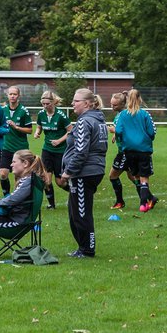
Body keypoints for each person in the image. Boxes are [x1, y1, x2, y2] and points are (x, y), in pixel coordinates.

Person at [61, 88, 109, 258]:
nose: (72, 104)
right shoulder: (99, 120)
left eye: (76, 101)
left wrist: (68, 172)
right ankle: (82, 248)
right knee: (75, 211)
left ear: (87, 103)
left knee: (81, 213)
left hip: (84, 172)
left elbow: (81, 151)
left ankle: (87, 250)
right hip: (93, 170)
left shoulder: (84, 122)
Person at [113, 89, 158, 211]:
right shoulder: (144, 114)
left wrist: (123, 139)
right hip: (143, 150)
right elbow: (152, 131)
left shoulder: (122, 115)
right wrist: (147, 139)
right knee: (144, 178)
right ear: (139, 99)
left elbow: (118, 131)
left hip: (129, 151)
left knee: (137, 177)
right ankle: (143, 204)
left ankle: (148, 201)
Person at [34, 90, 69, 209]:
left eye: (47, 104)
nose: (45, 106)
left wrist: (59, 141)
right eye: (43, 104)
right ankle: (52, 205)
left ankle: (74, 194)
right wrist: (37, 132)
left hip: (60, 152)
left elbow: (70, 131)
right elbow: (39, 126)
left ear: (53, 102)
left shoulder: (61, 115)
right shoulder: (41, 114)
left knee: (60, 182)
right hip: (47, 150)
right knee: (46, 180)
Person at [0, 86, 35, 196]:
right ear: (7, 96)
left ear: (18, 96)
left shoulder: (23, 111)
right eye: (10, 94)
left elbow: (29, 130)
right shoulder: (2, 110)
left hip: (20, 149)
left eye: (15, 94)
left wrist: (17, 127)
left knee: (18, 176)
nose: (12, 96)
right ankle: (7, 197)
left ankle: (17, 197)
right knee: (3, 174)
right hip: (6, 147)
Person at [105, 91, 138, 209]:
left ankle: (120, 202)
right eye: (111, 104)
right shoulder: (121, 114)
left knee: (112, 176)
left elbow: (128, 131)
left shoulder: (124, 115)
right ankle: (147, 198)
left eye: (115, 105)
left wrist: (114, 131)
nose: (112, 107)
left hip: (125, 151)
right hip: (125, 150)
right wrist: (116, 135)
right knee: (132, 176)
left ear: (123, 104)